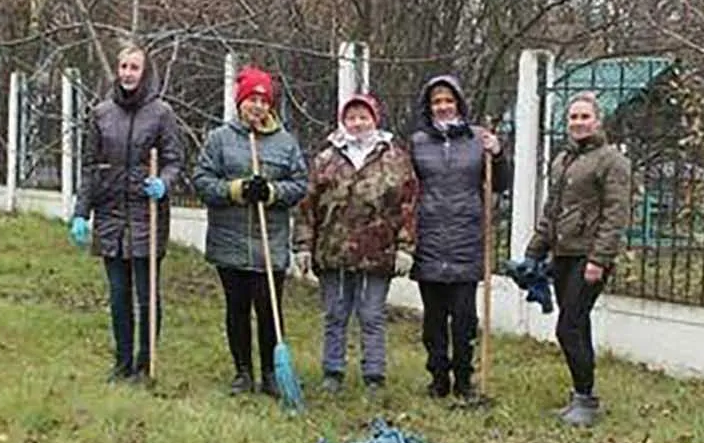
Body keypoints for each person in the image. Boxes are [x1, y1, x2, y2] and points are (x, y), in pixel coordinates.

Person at [189, 66, 309, 395]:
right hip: (229, 240)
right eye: (251, 99)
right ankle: (242, 371)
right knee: (237, 308)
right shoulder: (219, 140)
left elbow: (300, 185)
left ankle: (272, 373)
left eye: (263, 100)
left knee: (269, 308)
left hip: (269, 242)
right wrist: (236, 190)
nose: (257, 106)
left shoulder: (285, 144)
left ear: (270, 105)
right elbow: (201, 181)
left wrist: (271, 192)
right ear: (240, 102)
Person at [69, 44, 185, 383]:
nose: (127, 73)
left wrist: (163, 182)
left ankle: (145, 362)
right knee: (119, 296)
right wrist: (81, 213)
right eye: (123, 66)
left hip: (146, 214)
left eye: (134, 67)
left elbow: (174, 159)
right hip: (110, 216)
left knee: (147, 296)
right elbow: (90, 167)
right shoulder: (101, 113)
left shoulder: (161, 113)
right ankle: (122, 362)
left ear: (145, 72)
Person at [293, 92, 417, 394]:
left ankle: (374, 374)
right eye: (351, 117)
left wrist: (405, 246)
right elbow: (308, 206)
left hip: (378, 251)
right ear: (343, 121)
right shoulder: (326, 159)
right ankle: (332, 371)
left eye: (363, 117)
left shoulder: (395, 159)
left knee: (372, 315)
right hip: (333, 250)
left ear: (375, 120)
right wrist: (303, 246)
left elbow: (408, 205)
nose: (357, 123)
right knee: (335, 314)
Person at [522, 91, 631, 427]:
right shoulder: (563, 160)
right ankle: (581, 396)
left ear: (598, 120)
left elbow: (616, 214)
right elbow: (552, 211)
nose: (579, 123)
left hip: (589, 256)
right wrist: (534, 250)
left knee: (568, 326)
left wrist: (599, 259)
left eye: (585, 117)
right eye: (573, 117)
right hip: (564, 255)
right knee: (577, 324)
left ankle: (586, 398)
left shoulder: (612, 161)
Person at [408, 74, 509, 399]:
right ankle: (438, 378)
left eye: (448, 101)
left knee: (464, 318)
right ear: (429, 107)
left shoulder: (479, 139)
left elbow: (501, 183)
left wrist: (498, 154)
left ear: (459, 104)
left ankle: (465, 379)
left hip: (467, 236)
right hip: (430, 237)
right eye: (437, 102)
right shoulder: (418, 143)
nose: (443, 107)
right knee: (433, 320)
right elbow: (407, 187)